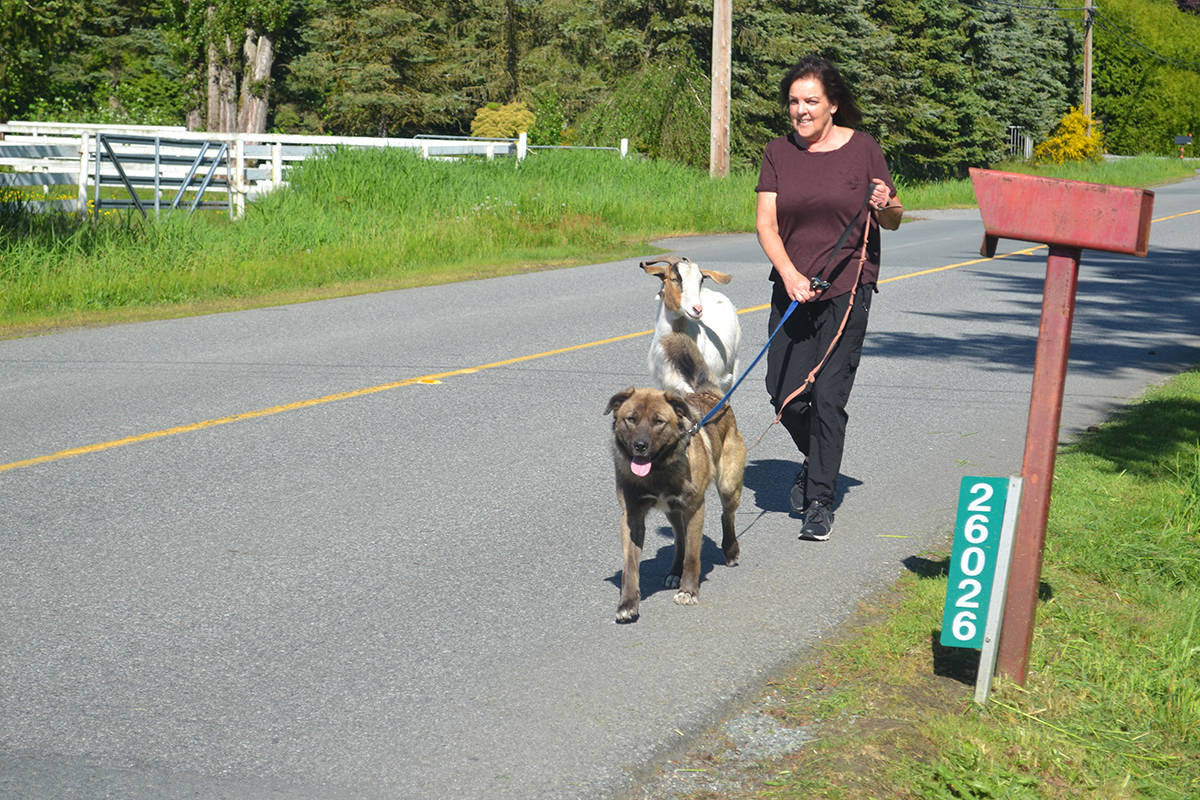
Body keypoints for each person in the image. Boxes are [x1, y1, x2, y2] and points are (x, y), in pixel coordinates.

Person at [754, 54, 902, 542]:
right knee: (784, 394)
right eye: (794, 102)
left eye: (811, 101)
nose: (801, 110)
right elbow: (766, 225)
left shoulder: (863, 151)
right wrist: (790, 274)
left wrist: (887, 205)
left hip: (847, 288)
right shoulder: (778, 153)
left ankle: (820, 499)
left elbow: (894, 215)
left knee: (828, 397)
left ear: (832, 104)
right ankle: (816, 460)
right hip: (793, 289)